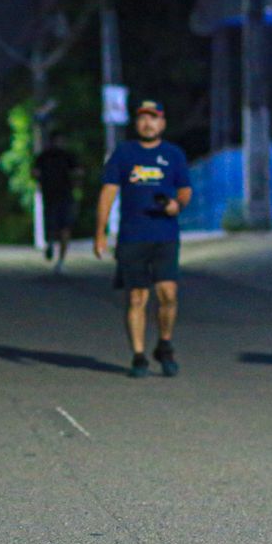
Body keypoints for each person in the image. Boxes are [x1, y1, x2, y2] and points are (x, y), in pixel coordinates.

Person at [94, 100, 192, 377]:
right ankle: (138, 356)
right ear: (136, 123)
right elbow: (108, 192)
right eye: (143, 118)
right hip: (132, 236)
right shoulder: (124, 154)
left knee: (168, 295)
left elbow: (185, 191)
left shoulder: (173, 154)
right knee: (137, 297)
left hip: (165, 234)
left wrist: (177, 205)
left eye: (154, 118)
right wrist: (99, 232)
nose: (148, 123)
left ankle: (164, 344)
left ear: (162, 124)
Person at [34, 136, 79, 272]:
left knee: (63, 228)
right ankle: (54, 249)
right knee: (58, 227)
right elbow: (78, 172)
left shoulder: (63, 156)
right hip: (55, 196)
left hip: (60, 196)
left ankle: (59, 257)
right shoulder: (45, 156)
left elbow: (34, 173)